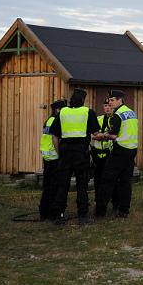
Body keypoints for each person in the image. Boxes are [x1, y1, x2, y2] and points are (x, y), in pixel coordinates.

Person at [49, 89, 102, 225]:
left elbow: (54, 136)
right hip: (81, 153)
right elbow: (96, 133)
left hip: (65, 152)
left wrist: (59, 152)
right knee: (82, 184)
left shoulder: (63, 112)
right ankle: (82, 215)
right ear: (83, 100)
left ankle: (58, 215)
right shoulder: (87, 112)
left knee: (63, 185)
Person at [95, 90, 137, 218]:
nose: (110, 103)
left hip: (120, 150)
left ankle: (100, 212)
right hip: (132, 150)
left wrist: (101, 135)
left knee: (107, 180)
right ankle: (124, 210)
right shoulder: (131, 112)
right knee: (125, 182)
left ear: (120, 100)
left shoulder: (118, 115)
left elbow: (113, 135)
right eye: (109, 101)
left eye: (112, 100)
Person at [38, 99, 66, 220]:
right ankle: (53, 212)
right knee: (54, 186)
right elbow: (55, 139)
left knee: (47, 186)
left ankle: (44, 212)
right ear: (57, 110)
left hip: (47, 156)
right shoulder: (55, 120)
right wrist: (60, 154)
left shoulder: (48, 120)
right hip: (54, 157)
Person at [90, 98, 119, 213]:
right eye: (105, 105)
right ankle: (99, 203)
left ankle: (115, 204)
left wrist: (101, 135)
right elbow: (92, 135)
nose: (107, 107)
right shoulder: (98, 119)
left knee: (112, 181)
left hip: (109, 154)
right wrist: (105, 135)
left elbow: (114, 135)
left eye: (109, 105)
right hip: (97, 155)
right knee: (98, 180)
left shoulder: (115, 120)